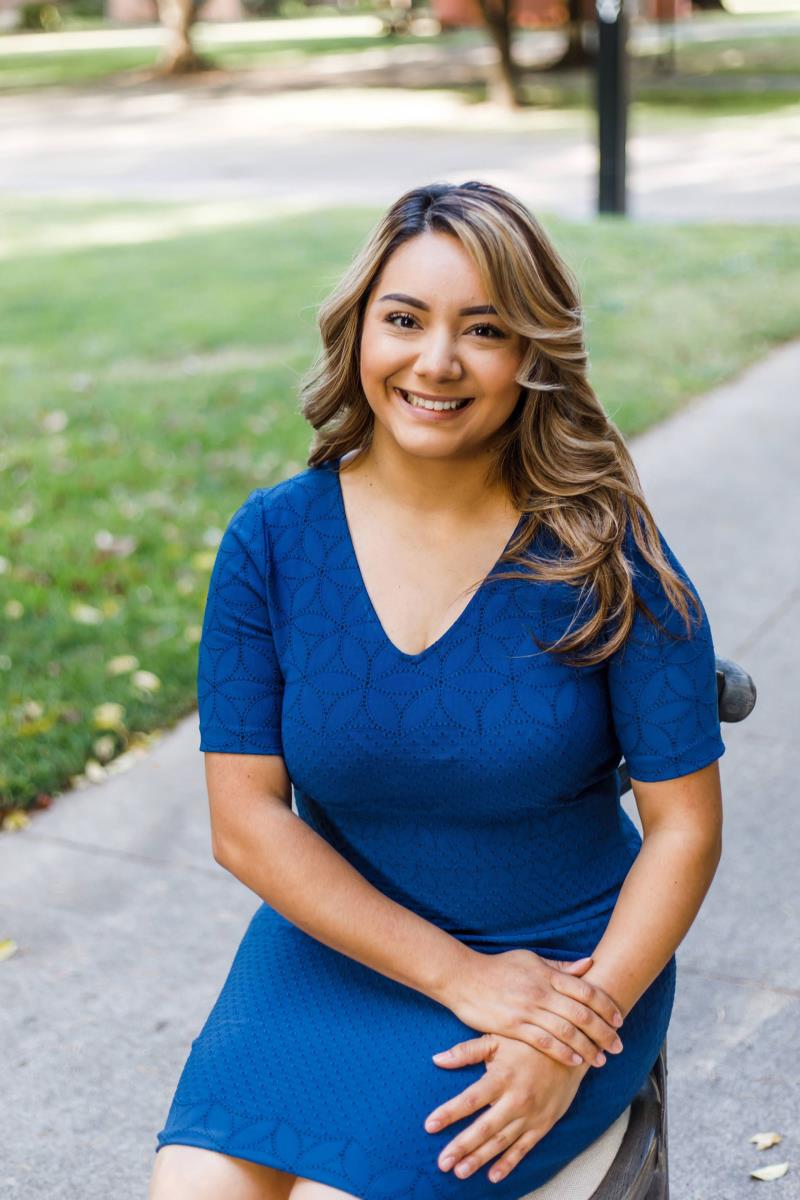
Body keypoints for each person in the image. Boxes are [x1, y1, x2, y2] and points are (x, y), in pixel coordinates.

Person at [149, 180, 725, 1200]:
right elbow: (243, 820)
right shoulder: (274, 542)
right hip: (336, 949)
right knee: (191, 1190)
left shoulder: (607, 552)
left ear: (531, 354)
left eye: (484, 329)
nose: (436, 362)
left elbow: (683, 827)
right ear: (358, 330)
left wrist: (572, 1028)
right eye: (403, 319)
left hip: (563, 965)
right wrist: (458, 976)